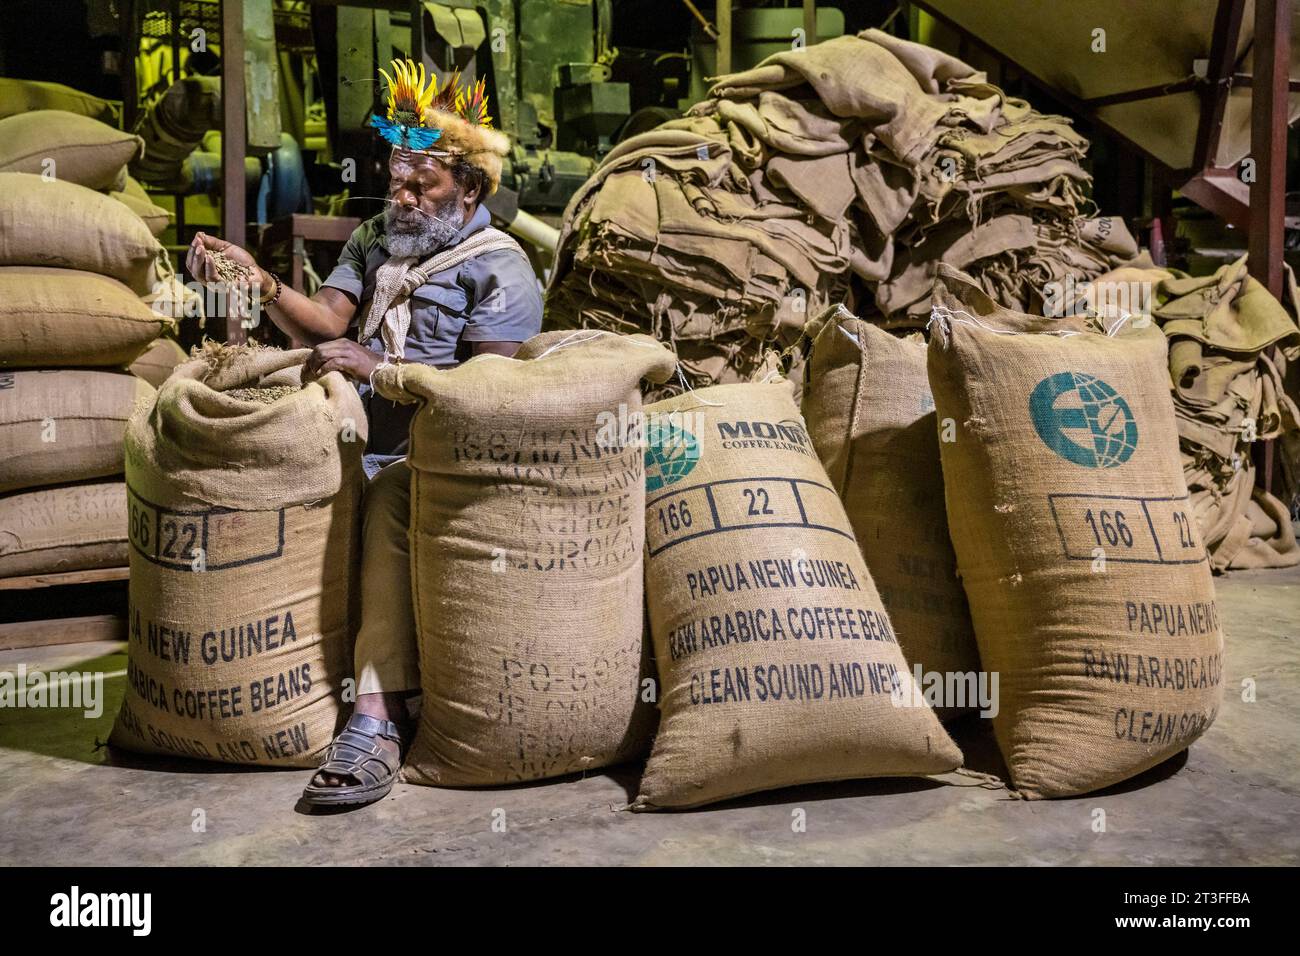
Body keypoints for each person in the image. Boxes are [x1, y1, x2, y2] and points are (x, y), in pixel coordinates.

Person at [187, 59, 542, 808]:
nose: (402, 197)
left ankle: (377, 717)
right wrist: (261, 283)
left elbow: (491, 398)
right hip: (363, 441)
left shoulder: (501, 270)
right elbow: (326, 323)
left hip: (439, 459)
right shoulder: (377, 239)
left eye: (423, 185)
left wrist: (379, 369)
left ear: (470, 190)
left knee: (384, 502)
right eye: (396, 178)